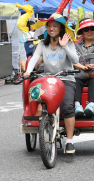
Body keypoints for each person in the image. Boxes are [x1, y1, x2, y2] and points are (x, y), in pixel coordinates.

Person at [24, 14, 80, 154]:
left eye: (55, 25)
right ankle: (45, 123)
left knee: (67, 106)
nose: (51, 28)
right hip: (48, 79)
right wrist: (28, 71)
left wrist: (65, 46)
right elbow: (34, 58)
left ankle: (69, 141)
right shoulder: (43, 44)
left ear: (61, 28)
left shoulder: (69, 42)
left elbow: (75, 59)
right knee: (41, 100)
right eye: (49, 26)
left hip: (66, 78)